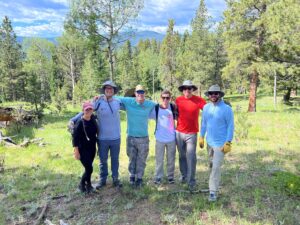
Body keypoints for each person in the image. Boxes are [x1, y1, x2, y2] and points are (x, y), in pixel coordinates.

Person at [70, 80, 123, 189]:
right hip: (102, 138)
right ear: (104, 90)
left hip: (116, 137)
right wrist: (73, 119)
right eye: (107, 88)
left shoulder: (118, 102)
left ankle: (115, 179)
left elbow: (132, 104)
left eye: (111, 89)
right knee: (103, 161)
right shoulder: (98, 102)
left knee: (115, 159)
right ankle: (102, 180)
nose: (109, 90)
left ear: (114, 91)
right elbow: (86, 109)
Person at [115, 85, 156, 187]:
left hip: (143, 137)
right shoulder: (129, 101)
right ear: (135, 93)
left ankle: (140, 178)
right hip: (131, 137)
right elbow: (114, 97)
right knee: (131, 158)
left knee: (142, 159)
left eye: (142, 92)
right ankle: (132, 176)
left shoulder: (150, 104)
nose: (140, 94)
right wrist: (101, 96)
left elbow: (161, 106)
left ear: (144, 93)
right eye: (138, 92)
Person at [199, 84, 234, 202]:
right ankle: (214, 183)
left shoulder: (227, 109)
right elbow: (203, 123)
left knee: (216, 167)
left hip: (221, 144)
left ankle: (213, 191)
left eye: (215, 93)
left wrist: (228, 142)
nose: (213, 95)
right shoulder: (206, 107)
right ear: (208, 95)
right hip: (209, 142)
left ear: (219, 95)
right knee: (211, 165)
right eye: (211, 93)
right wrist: (201, 136)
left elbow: (230, 126)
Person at [175, 80, 206, 191]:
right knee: (182, 156)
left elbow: (208, 110)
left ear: (192, 89)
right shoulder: (178, 100)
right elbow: (173, 114)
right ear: (182, 90)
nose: (187, 90)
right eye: (185, 88)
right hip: (179, 133)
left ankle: (191, 180)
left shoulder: (199, 100)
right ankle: (184, 176)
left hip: (192, 134)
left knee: (191, 157)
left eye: (189, 88)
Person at [149, 90, 177, 185]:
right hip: (160, 139)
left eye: (167, 98)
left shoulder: (173, 107)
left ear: (170, 98)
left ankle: (170, 177)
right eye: (163, 97)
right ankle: (158, 177)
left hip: (171, 139)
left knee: (171, 159)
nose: (165, 99)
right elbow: (145, 114)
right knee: (159, 160)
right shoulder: (156, 108)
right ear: (160, 98)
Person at [73, 102, 98, 193]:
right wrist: (76, 151)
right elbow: (75, 138)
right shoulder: (79, 123)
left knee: (89, 167)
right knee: (89, 168)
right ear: (83, 110)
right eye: (86, 109)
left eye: (90, 109)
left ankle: (88, 185)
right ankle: (82, 184)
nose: (88, 111)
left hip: (92, 148)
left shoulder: (93, 119)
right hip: (82, 149)